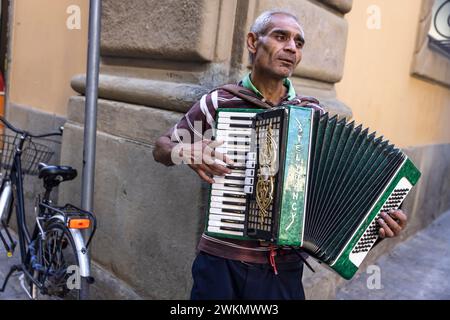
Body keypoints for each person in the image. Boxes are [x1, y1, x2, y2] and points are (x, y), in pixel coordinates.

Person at [153, 10, 408, 300]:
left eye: (299, 43)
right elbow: (160, 148)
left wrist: (376, 226)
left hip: (281, 271)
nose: (291, 48)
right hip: (220, 263)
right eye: (280, 36)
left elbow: (338, 195)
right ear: (252, 41)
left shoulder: (312, 116)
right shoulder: (221, 101)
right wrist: (184, 151)